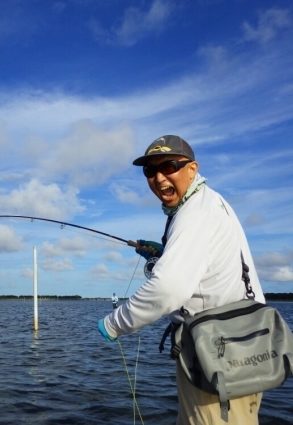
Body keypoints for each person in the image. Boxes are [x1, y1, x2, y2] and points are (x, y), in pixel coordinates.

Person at [97, 135, 265, 425]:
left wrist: (114, 324)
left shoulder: (193, 212)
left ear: (192, 168)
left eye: (170, 166)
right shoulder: (213, 202)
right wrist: (165, 254)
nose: (159, 177)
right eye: (150, 171)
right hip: (245, 351)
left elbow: (168, 289)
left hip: (217, 359)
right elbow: (206, 272)